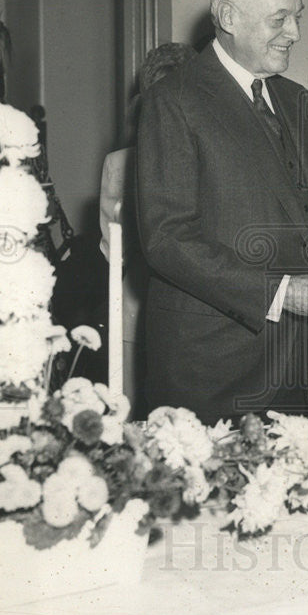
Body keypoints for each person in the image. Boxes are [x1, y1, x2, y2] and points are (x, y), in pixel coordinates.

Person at [136, 0, 308, 423]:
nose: (294, 33)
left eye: (297, 17)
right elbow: (166, 238)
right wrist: (281, 293)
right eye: (280, 19)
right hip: (211, 370)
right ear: (229, 17)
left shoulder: (301, 103)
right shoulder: (173, 101)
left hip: (291, 368)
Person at [99, 42, 197, 416]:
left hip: (190, 308)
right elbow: (114, 250)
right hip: (137, 303)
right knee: (131, 408)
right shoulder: (119, 165)